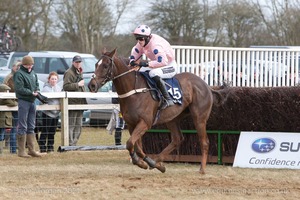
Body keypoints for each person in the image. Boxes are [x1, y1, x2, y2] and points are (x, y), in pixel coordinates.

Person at [129, 24, 177, 109]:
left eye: (140, 38)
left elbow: (163, 61)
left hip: (169, 66)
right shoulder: (142, 42)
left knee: (153, 73)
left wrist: (147, 64)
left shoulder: (156, 45)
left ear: (147, 37)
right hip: (157, 65)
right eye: (137, 38)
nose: (139, 41)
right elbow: (135, 52)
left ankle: (168, 99)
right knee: (139, 70)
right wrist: (132, 61)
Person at [13, 55, 42, 157]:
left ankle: (31, 150)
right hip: (23, 101)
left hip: (32, 102)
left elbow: (37, 84)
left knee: (31, 125)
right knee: (22, 125)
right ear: (24, 64)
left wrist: (37, 90)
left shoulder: (33, 74)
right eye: (28, 64)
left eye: (31, 64)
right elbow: (19, 88)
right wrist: (30, 92)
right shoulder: (19, 74)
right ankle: (21, 151)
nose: (30, 66)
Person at [63, 55, 87, 146]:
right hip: (72, 102)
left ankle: (74, 143)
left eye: (79, 62)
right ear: (73, 62)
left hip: (80, 102)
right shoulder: (69, 73)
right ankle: (70, 143)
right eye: (76, 62)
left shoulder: (80, 72)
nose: (78, 63)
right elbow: (65, 86)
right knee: (71, 124)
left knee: (79, 125)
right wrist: (78, 84)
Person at [38, 72, 61, 153]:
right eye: (52, 79)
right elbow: (45, 100)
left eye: (55, 79)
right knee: (45, 130)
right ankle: (42, 147)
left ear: (57, 80)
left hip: (56, 114)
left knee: (52, 131)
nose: (53, 80)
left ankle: (50, 147)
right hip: (47, 113)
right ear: (49, 79)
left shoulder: (58, 88)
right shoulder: (46, 89)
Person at [3, 61, 21, 154]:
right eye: (17, 66)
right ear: (13, 67)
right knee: (13, 128)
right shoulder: (10, 78)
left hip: (18, 104)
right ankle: (13, 150)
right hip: (12, 105)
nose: (18, 68)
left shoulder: (18, 76)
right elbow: (6, 91)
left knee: (16, 128)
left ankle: (15, 148)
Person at [0, 84, 17, 154]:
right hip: (3, 120)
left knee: (2, 135)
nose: (8, 93)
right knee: (1, 135)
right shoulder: (4, 100)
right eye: (6, 91)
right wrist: (14, 101)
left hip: (5, 120)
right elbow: (13, 103)